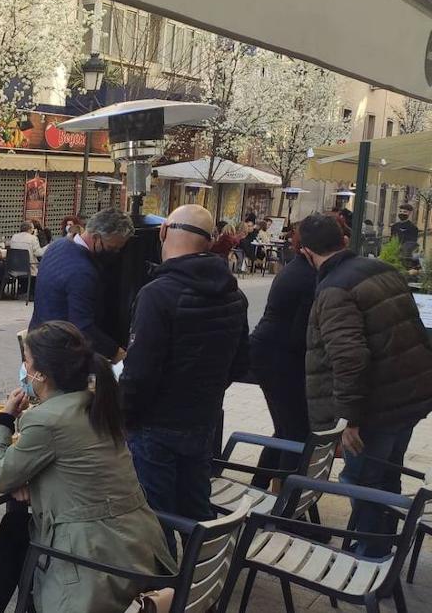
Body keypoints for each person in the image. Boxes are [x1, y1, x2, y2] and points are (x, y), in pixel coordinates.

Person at [0, 322, 173, 613]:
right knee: (15, 527)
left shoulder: (47, 419)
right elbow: (79, 468)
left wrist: (4, 421)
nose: (24, 368)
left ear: (40, 373)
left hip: (96, 562)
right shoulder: (97, 402)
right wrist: (36, 481)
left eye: (26, 362)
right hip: (139, 546)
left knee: (16, 530)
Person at [300, 213, 432, 556]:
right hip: (406, 399)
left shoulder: (334, 290)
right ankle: (385, 543)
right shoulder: (382, 271)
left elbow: (349, 358)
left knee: (362, 480)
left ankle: (374, 554)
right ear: (344, 241)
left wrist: (348, 419)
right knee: (386, 473)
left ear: (306, 253)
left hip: (376, 408)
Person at [121, 204, 249, 525]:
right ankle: (202, 571)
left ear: (164, 232)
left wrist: (121, 417)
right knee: (195, 509)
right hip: (202, 419)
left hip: (155, 425)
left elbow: (139, 373)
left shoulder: (157, 294)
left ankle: (163, 575)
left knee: (155, 520)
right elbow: (241, 360)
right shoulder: (233, 294)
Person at [248, 227, 317, 486]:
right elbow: (302, 332)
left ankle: (261, 486)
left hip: (273, 355)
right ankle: (285, 503)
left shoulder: (301, 268)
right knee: (295, 432)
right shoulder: (307, 276)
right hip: (278, 358)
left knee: (287, 427)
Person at [31, 208, 133, 362]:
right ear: (96, 237)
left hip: (39, 341)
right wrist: (117, 353)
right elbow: (82, 327)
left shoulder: (58, 245)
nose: (116, 252)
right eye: (112, 248)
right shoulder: (83, 271)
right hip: (58, 354)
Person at [7, 221, 46, 296]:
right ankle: (32, 293)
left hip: (14, 267)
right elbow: (38, 253)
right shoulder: (33, 238)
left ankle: (22, 289)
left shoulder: (14, 236)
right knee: (39, 267)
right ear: (30, 229)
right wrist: (46, 248)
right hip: (28, 267)